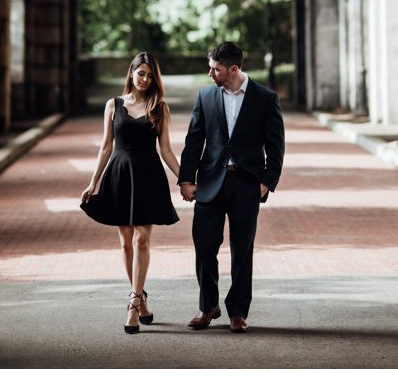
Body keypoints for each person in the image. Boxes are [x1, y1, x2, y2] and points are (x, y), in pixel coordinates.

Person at [178, 41, 285, 333]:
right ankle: (208, 306)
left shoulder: (265, 98)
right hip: (210, 183)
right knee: (204, 246)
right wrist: (187, 179)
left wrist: (267, 181)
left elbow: (276, 146)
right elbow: (193, 141)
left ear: (234, 69)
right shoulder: (206, 97)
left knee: (242, 250)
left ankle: (238, 312)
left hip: (246, 184)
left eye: (216, 69)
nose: (210, 74)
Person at [80, 52, 181, 334]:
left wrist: (186, 179)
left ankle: (133, 306)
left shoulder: (160, 108)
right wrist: (93, 182)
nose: (145, 80)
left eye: (150, 76)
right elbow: (106, 146)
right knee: (126, 243)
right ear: (131, 73)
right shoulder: (113, 105)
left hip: (148, 176)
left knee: (143, 240)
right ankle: (142, 299)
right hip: (120, 176)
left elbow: (167, 150)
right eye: (141, 74)